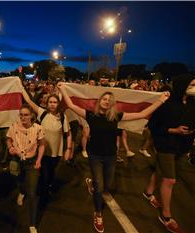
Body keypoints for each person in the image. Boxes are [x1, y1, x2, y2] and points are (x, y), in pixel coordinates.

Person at [58, 82, 170, 233]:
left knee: (106, 185)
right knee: (99, 185)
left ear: (112, 104)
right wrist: (62, 89)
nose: (106, 101)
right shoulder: (90, 114)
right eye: (104, 99)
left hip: (111, 156)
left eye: (109, 100)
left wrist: (160, 100)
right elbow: (70, 104)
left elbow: (142, 114)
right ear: (99, 101)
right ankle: (98, 213)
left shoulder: (117, 116)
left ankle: (93, 184)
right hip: (95, 155)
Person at [144, 75, 195, 233]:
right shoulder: (167, 104)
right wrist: (174, 130)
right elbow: (152, 125)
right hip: (166, 144)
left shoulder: (193, 104)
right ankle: (166, 215)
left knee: (162, 170)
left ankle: (148, 192)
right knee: (170, 179)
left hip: (183, 146)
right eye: (192, 84)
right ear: (182, 85)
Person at [22, 90, 72, 206]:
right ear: (47, 103)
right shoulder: (42, 113)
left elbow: (68, 134)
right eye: (50, 102)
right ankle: (42, 199)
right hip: (42, 152)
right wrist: (20, 87)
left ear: (58, 104)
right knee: (43, 174)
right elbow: (29, 101)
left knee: (50, 173)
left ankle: (47, 187)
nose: (52, 104)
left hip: (56, 153)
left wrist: (68, 149)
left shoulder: (63, 117)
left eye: (55, 102)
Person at [6, 105, 45, 233]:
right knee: (20, 182)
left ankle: (32, 223)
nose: (23, 117)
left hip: (32, 163)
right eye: (21, 114)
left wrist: (39, 160)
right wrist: (10, 147)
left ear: (32, 116)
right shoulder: (14, 127)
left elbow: (42, 145)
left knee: (32, 193)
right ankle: (22, 192)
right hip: (17, 161)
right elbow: (8, 139)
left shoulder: (38, 128)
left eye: (26, 115)